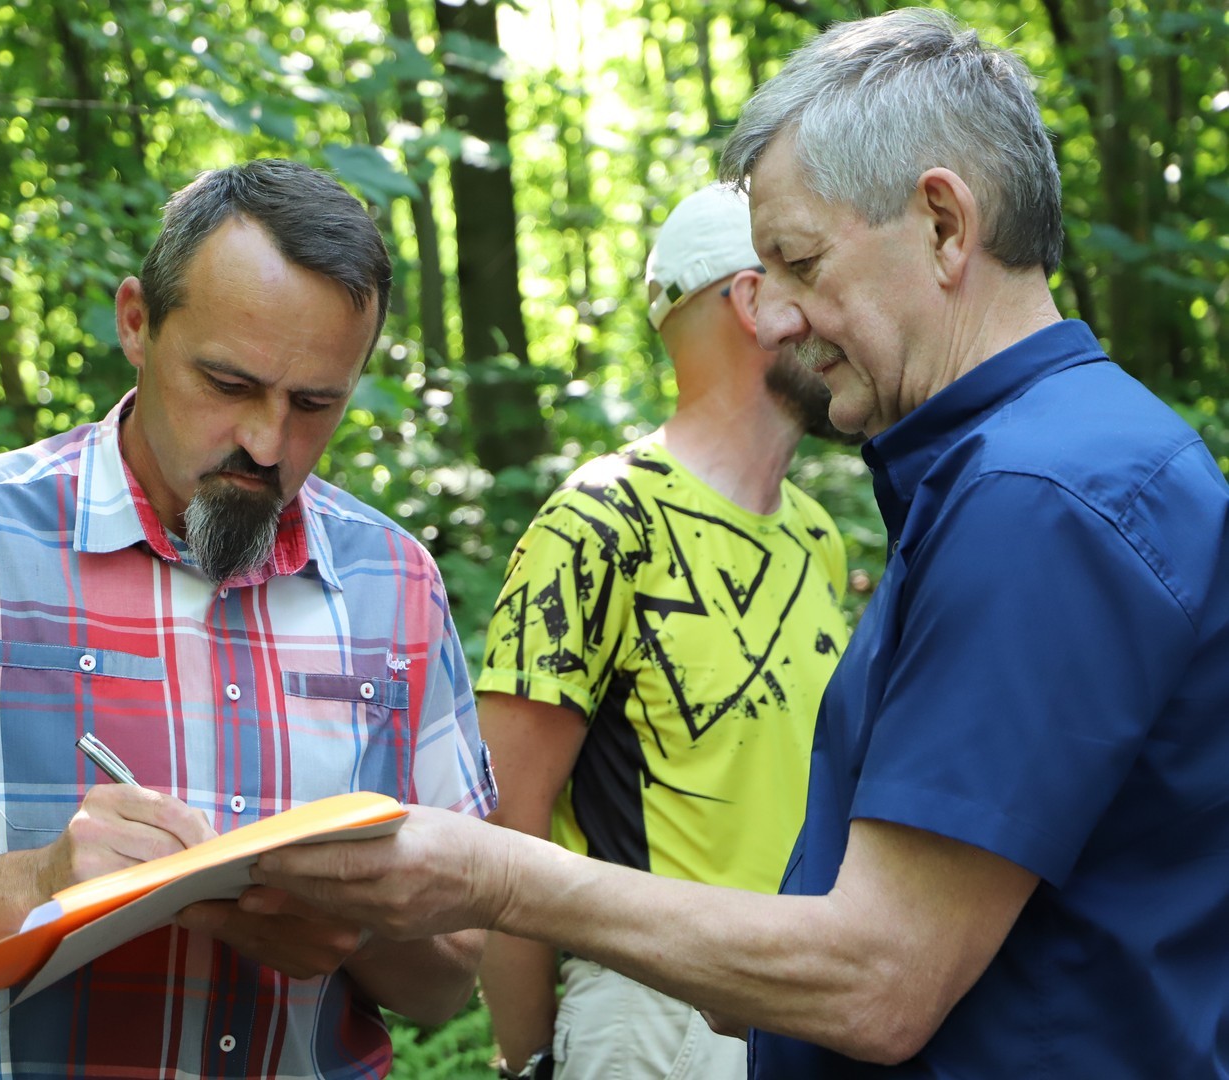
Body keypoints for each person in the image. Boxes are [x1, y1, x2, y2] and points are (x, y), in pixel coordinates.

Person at [246, 10, 1229, 1077]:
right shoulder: (1040, 469)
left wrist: (497, 877)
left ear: (946, 225)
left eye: (800, 263)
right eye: (759, 280)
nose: (777, 320)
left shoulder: (1035, 500)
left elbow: (879, 978)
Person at [0, 159, 497, 1080]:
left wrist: (355, 932)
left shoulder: (394, 582)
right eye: (228, 384)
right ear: (136, 322)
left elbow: (449, 980)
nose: (266, 442)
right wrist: (38, 883)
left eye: (315, 404)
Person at [475, 183, 850, 1080]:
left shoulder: (819, 539)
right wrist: (530, 1061)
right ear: (753, 300)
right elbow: (505, 830)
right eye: (813, 282)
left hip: (803, 1003)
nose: (842, 314)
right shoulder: (598, 525)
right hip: (656, 1017)